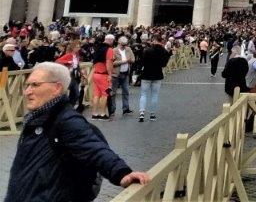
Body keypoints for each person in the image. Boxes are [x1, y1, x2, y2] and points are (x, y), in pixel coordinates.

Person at [4, 62, 150, 201]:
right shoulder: (36, 118)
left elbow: (94, 149)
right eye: (27, 85)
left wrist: (122, 173)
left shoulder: (65, 120)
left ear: (57, 88)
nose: (27, 92)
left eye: (35, 85)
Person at [138, 36, 170, 123]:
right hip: (157, 74)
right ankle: (152, 114)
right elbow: (164, 64)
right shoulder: (164, 51)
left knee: (143, 94)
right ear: (161, 41)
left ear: (154, 41)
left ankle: (141, 113)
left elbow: (142, 62)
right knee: (154, 95)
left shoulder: (147, 50)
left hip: (146, 74)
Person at [108, 36, 134, 117]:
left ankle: (126, 109)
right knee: (113, 92)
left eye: (125, 44)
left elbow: (133, 59)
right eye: (122, 45)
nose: (124, 46)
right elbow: (112, 63)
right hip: (116, 74)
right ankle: (112, 110)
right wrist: (123, 61)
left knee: (126, 91)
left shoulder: (128, 49)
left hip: (125, 73)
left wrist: (130, 60)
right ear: (119, 43)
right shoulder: (114, 50)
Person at [89, 34, 113, 120]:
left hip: (95, 73)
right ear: (111, 40)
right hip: (103, 74)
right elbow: (109, 63)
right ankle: (102, 114)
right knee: (105, 95)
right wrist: (110, 74)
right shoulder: (109, 49)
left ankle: (94, 114)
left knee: (96, 94)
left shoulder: (97, 47)